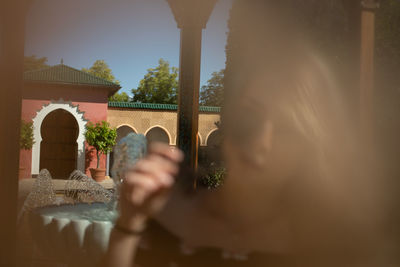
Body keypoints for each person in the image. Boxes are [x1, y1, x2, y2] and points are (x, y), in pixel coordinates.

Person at [102, 1, 386, 266]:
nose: (260, 141)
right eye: (251, 115)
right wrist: (130, 221)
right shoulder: (167, 215)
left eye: (286, 129)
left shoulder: (324, 244)